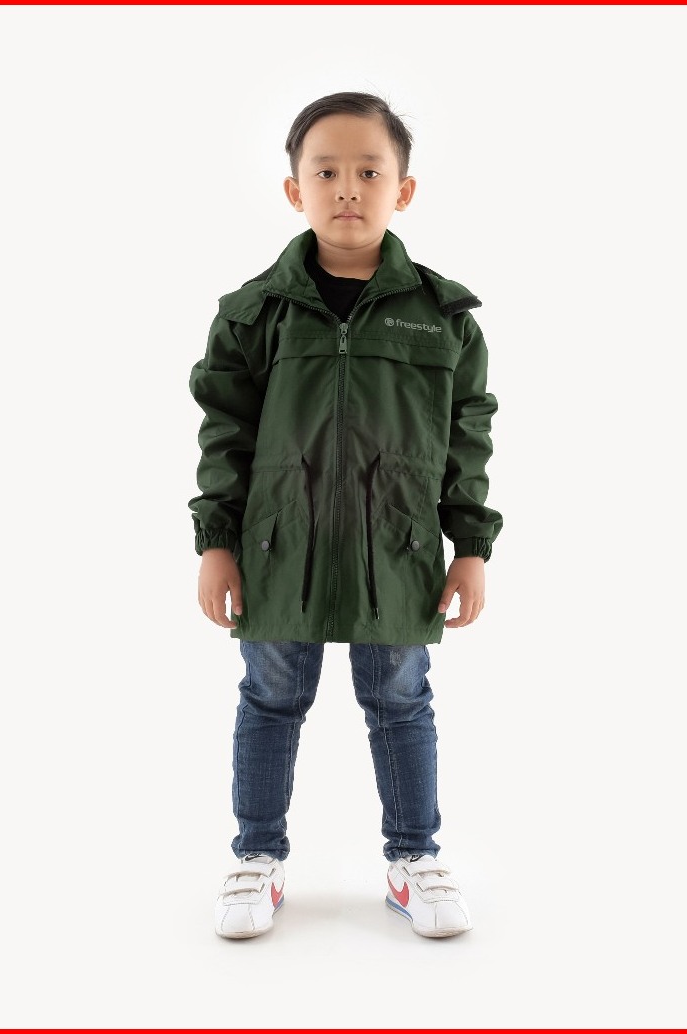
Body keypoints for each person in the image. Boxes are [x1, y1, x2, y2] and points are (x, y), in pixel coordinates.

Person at [188, 92, 502, 940]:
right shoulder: (254, 313)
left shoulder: (442, 318)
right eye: (325, 171)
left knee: (401, 701)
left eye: (370, 170)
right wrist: (217, 542)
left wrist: (470, 546)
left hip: (396, 548)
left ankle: (413, 859)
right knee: (269, 699)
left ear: (405, 190)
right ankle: (257, 856)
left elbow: (467, 436)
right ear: (295, 190)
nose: (348, 188)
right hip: (277, 546)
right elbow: (225, 433)